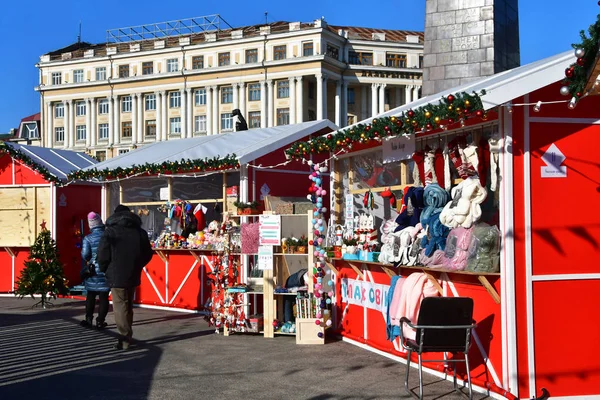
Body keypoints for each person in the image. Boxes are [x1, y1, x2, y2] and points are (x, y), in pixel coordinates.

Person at [98, 205, 153, 350]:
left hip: (116, 273)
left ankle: (124, 338)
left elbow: (103, 254)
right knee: (128, 305)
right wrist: (138, 264)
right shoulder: (139, 232)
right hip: (133, 272)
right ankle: (127, 334)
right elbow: (148, 253)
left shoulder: (110, 232)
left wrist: (104, 269)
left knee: (120, 306)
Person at [80, 212, 110, 329]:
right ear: (100, 222)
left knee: (91, 296)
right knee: (104, 297)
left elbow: (85, 255)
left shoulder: (88, 238)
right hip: (105, 270)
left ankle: (88, 319)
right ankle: (100, 321)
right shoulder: (108, 236)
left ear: (90, 225)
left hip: (92, 271)